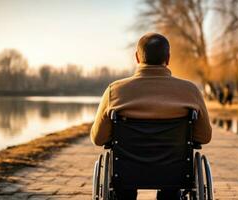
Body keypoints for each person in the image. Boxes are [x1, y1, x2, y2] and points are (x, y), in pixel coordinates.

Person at [90, 33, 212, 200]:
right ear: (168, 58)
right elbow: (204, 137)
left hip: (126, 172)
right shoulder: (190, 91)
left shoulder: (114, 91)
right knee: (173, 182)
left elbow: (98, 138)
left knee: (123, 184)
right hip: (174, 173)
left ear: (137, 58)